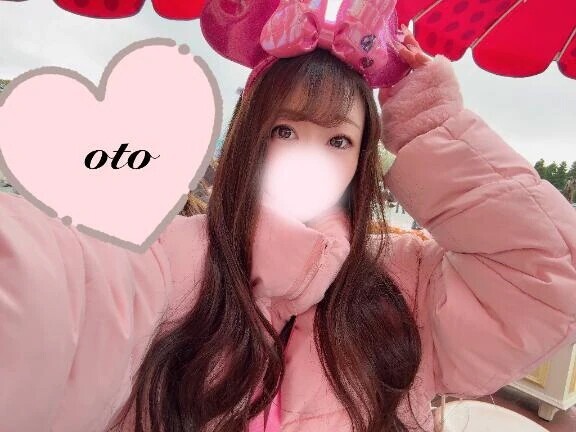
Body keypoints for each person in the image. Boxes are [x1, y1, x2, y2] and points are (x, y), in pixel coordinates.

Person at [2, 2, 576, 432]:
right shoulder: (173, 259)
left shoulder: (406, 285)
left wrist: (430, 121)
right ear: (250, 138)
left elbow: (550, 271)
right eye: (285, 130)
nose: (308, 157)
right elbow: (64, 290)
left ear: (362, 159)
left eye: (337, 140)